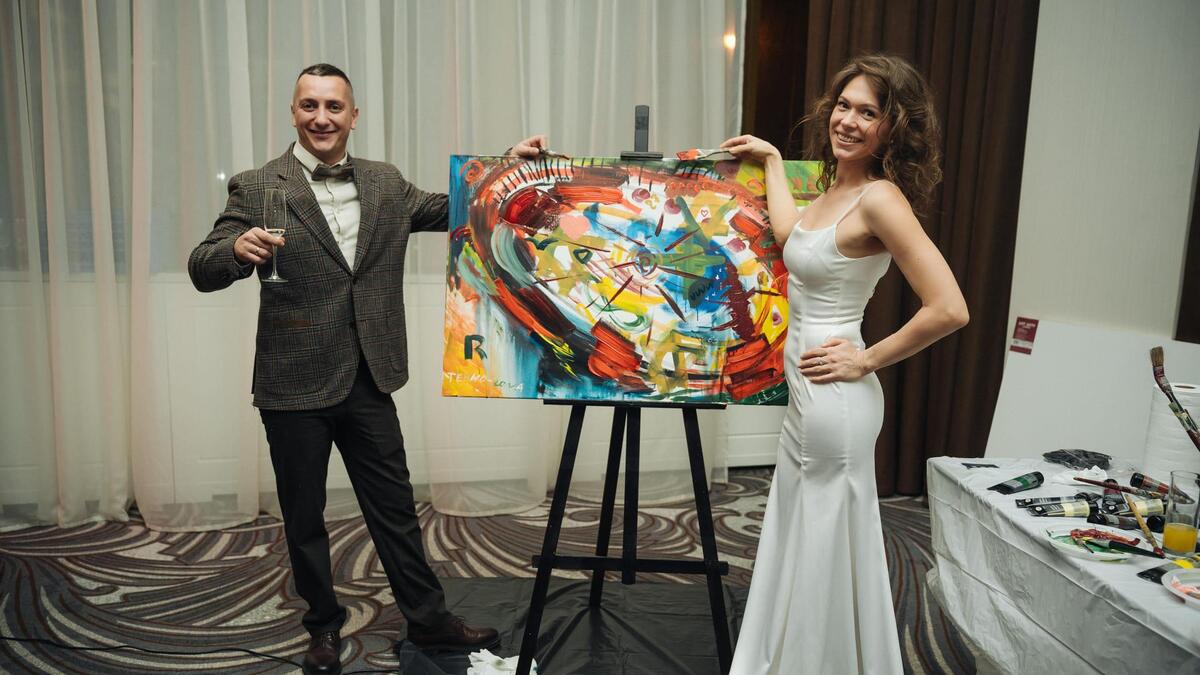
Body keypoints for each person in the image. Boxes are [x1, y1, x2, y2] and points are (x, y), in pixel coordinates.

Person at [188, 63, 546, 675]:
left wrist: (506, 168)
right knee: (304, 519)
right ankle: (322, 628)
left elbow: (456, 208)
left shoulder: (385, 182)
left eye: (333, 106)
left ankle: (429, 621)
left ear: (354, 116)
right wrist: (234, 251)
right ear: (293, 112)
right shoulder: (258, 185)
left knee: (395, 509)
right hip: (292, 381)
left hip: (368, 375)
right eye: (309, 105)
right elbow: (202, 265)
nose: (321, 117)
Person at [719, 54, 969, 674]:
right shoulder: (837, 191)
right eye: (843, 106)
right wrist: (772, 161)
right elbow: (791, 238)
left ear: (893, 128)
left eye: (868, 113)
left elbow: (949, 308)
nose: (848, 121)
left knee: (822, 541)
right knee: (805, 533)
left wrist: (866, 360)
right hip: (812, 400)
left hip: (836, 401)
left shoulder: (881, 199)